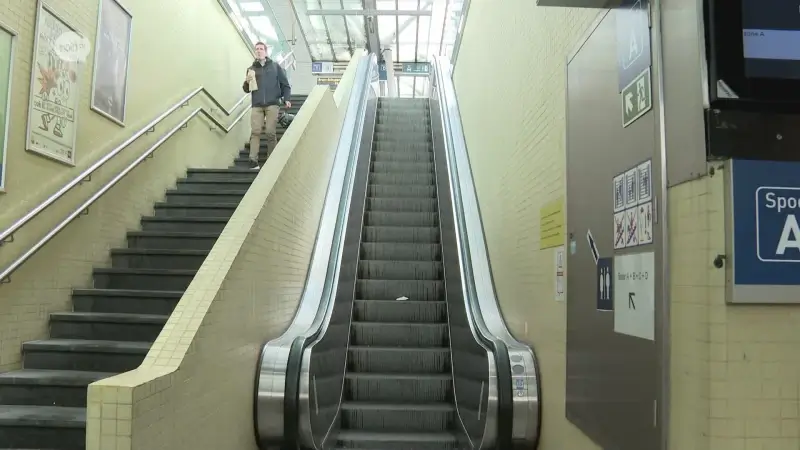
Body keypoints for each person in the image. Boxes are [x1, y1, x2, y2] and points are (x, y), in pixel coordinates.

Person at [243, 41, 291, 170]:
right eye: (256, 49)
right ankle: (253, 161)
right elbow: (246, 89)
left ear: (265, 52)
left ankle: (272, 159)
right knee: (255, 132)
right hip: (257, 105)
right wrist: (246, 82)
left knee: (270, 132)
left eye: (261, 49)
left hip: (272, 104)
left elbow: (285, 85)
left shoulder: (275, 67)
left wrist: (286, 99)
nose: (258, 51)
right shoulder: (251, 69)